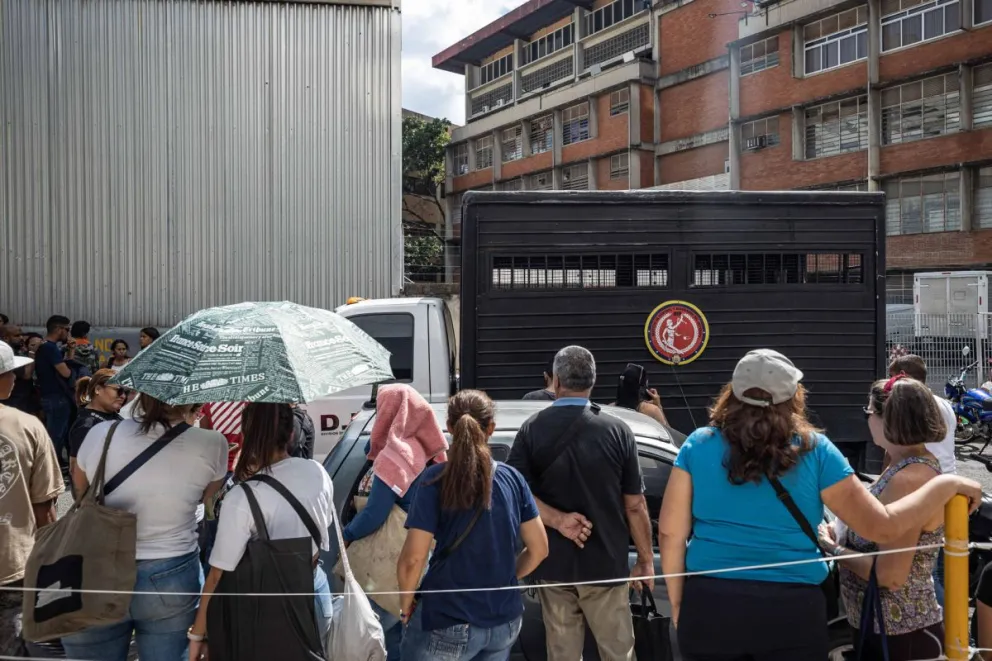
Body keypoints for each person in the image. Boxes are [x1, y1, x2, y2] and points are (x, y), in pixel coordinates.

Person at [659, 349, 982, 661]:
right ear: (793, 394)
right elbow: (881, 526)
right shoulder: (816, 450)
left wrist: (678, 603)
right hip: (793, 612)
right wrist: (946, 483)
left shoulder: (698, 444)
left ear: (733, 392)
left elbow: (671, 535)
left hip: (710, 605)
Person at [507, 346, 652, 661]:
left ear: (556, 381)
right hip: (605, 565)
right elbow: (635, 505)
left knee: (562, 653)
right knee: (618, 652)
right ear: (593, 382)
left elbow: (516, 491)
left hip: (553, 564)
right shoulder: (618, 430)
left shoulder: (531, 429)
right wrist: (645, 560)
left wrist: (559, 521)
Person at [62, 393, 228, 661]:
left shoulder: (101, 433)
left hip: (97, 565)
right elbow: (205, 496)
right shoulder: (212, 443)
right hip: (170, 570)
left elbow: (81, 492)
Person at [398, 390, 549, 661]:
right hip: (504, 621)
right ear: (491, 428)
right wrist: (505, 578)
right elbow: (539, 549)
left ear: (449, 428)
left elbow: (414, 558)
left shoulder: (434, 480)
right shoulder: (513, 480)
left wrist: (405, 604)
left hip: (447, 618)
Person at [188, 402, 335, 659]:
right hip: (316, 593)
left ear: (246, 434)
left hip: (266, 610)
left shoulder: (243, 496)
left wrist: (198, 634)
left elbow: (217, 575)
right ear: (291, 433)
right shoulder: (318, 472)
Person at [821, 376, 947, 660]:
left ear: (887, 419)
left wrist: (834, 549)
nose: (867, 420)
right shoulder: (906, 465)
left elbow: (890, 575)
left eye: (869, 412)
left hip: (899, 634)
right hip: (887, 628)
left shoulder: (908, 479)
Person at [342, 383, 449, 659]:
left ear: (391, 411)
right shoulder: (423, 448)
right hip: (422, 558)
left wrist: (348, 533)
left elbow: (375, 512)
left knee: (382, 638)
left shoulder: (397, 455)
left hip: (391, 564)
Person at [0, 342, 64, 657]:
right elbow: (45, 508)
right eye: (12, 372)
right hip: (11, 562)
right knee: (11, 646)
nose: (16, 379)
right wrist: (52, 562)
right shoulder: (27, 426)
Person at [67, 369, 126, 497]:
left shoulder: (112, 415)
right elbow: (75, 470)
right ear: (98, 389)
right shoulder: (86, 425)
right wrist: (85, 506)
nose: (123, 396)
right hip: (102, 501)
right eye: (119, 390)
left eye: (125, 392)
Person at [34, 315, 75, 468]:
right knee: (56, 436)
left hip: (50, 396)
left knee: (58, 433)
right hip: (56, 397)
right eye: (67, 329)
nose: (68, 333)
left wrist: (71, 351)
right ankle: (48, 468)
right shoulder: (50, 348)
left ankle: (53, 464)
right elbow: (66, 373)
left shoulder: (46, 347)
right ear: (58, 329)